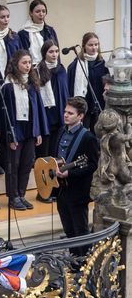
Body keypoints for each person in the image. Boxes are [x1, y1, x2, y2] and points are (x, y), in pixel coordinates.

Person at [1, 50, 48, 211]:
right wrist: (9, 137)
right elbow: (5, 113)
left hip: (29, 129)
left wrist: (38, 131)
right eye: (24, 63)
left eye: (29, 62)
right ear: (16, 64)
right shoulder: (8, 85)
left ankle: (21, 194)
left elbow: (38, 108)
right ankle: (13, 196)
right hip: (16, 130)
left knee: (27, 163)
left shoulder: (32, 82)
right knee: (14, 164)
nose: (28, 66)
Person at [53, 97, 99, 256]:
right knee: (68, 229)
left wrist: (70, 173)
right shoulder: (61, 131)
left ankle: (84, 263)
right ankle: (73, 261)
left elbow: (93, 165)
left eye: (70, 113)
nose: (66, 115)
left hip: (78, 192)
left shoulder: (88, 138)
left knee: (81, 230)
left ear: (80, 116)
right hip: (61, 190)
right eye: (65, 112)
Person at [0, 4, 21, 176]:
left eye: (8, 16)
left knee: (9, 119)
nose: (6, 20)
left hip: (10, 82)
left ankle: (5, 159)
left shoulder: (14, 37)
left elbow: (19, 57)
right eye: (2, 17)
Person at [36, 40, 70, 160]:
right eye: (51, 52)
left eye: (56, 51)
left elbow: (65, 90)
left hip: (60, 111)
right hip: (47, 113)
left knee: (57, 146)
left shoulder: (61, 69)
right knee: (45, 148)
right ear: (44, 53)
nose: (55, 54)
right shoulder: (38, 70)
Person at [67, 32, 107, 130]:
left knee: (98, 134)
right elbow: (70, 87)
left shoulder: (102, 63)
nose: (94, 48)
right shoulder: (75, 65)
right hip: (82, 106)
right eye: (90, 45)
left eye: (96, 44)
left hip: (98, 105)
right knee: (82, 133)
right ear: (84, 46)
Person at [18, 0, 59, 64]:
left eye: (43, 11)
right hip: (31, 69)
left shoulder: (50, 31)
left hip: (50, 68)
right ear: (31, 13)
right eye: (37, 11)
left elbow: (57, 53)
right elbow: (22, 56)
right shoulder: (23, 33)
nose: (41, 14)